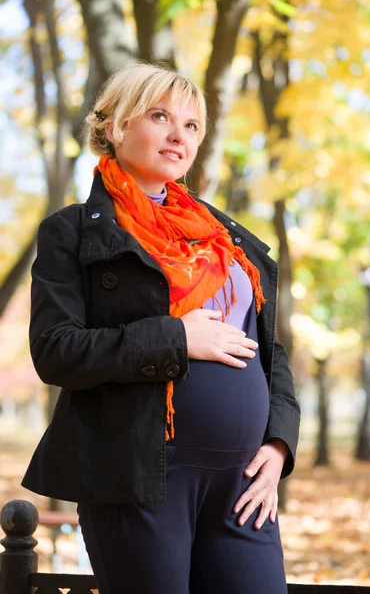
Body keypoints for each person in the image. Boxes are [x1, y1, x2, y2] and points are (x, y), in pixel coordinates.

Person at [22, 62, 300, 594]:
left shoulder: (225, 238)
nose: (179, 135)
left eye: (193, 125)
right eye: (160, 116)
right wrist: (178, 337)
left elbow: (272, 352)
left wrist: (279, 443)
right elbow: (56, 351)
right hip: (140, 479)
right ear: (116, 126)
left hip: (243, 483)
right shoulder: (72, 232)